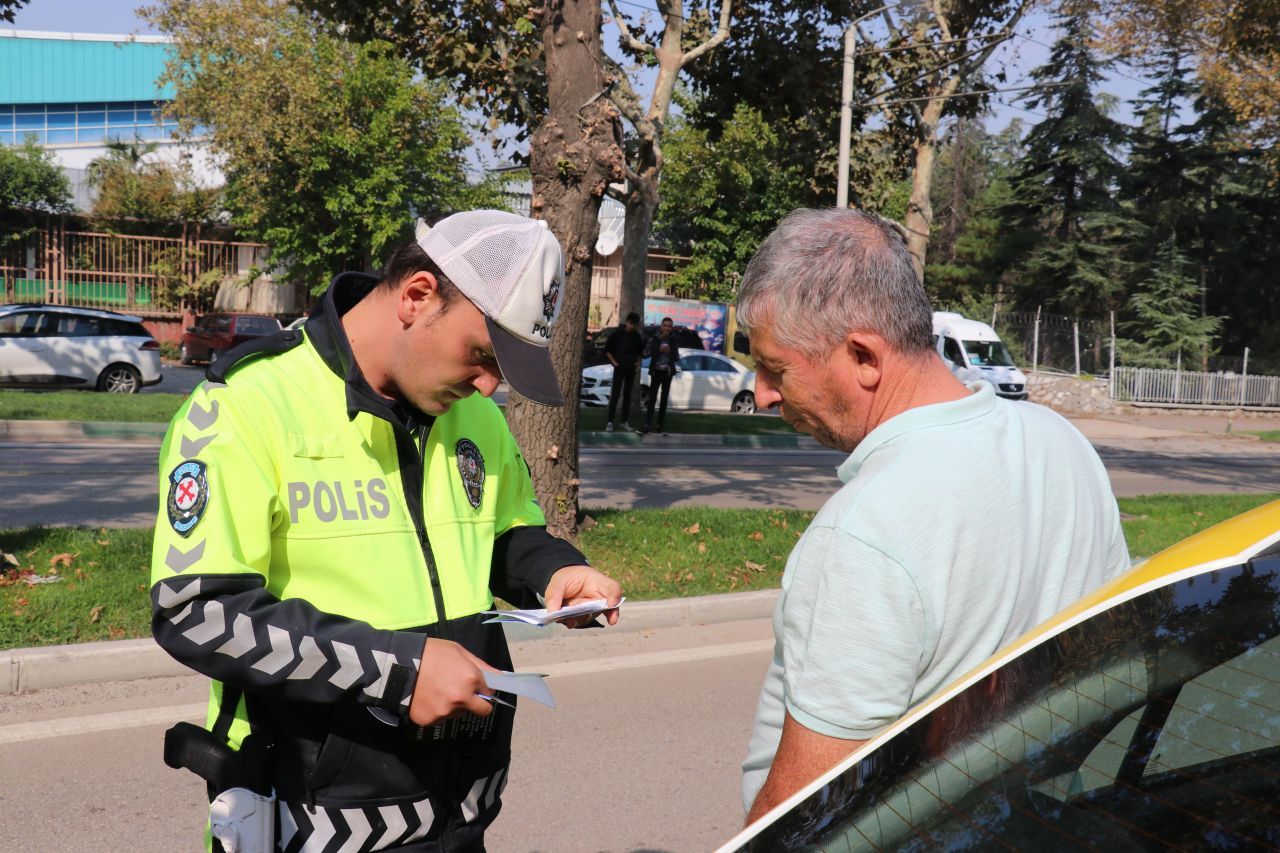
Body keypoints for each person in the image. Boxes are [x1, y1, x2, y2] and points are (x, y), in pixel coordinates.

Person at [149, 209, 622, 852]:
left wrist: (555, 572)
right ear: (417, 295)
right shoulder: (244, 406)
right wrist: (399, 671)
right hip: (313, 818)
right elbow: (197, 610)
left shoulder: (472, 414)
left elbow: (504, 532)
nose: (487, 385)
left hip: (457, 809)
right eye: (482, 355)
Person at [737, 208, 1130, 824]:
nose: (761, 392)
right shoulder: (1059, 440)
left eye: (775, 367)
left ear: (864, 355)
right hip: (1030, 821)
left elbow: (805, 810)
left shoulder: (864, 531)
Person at [604, 311, 644, 431]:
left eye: (634, 324)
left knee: (627, 394)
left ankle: (624, 421)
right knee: (615, 394)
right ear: (627, 322)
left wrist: (637, 364)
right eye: (630, 323)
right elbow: (607, 350)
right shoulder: (617, 334)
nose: (632, 326)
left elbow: (639, 353)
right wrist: (614, 363)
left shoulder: (636, 336)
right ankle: (610, 422)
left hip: (631, 368)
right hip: (619, 367)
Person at [640, 317, 680, 434]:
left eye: (669, 326)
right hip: (656, 372)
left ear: (671, 328)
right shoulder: (655, 338)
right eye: (665, 325)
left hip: (668, 373)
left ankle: (659, 425)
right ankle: (647, 424)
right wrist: (659, 350)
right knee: (652, 399)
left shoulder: (673, 340)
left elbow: (676, 357)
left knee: (664, 400)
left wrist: (669, 351)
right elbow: (645, 354)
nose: (667, 328)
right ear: (661, 326)